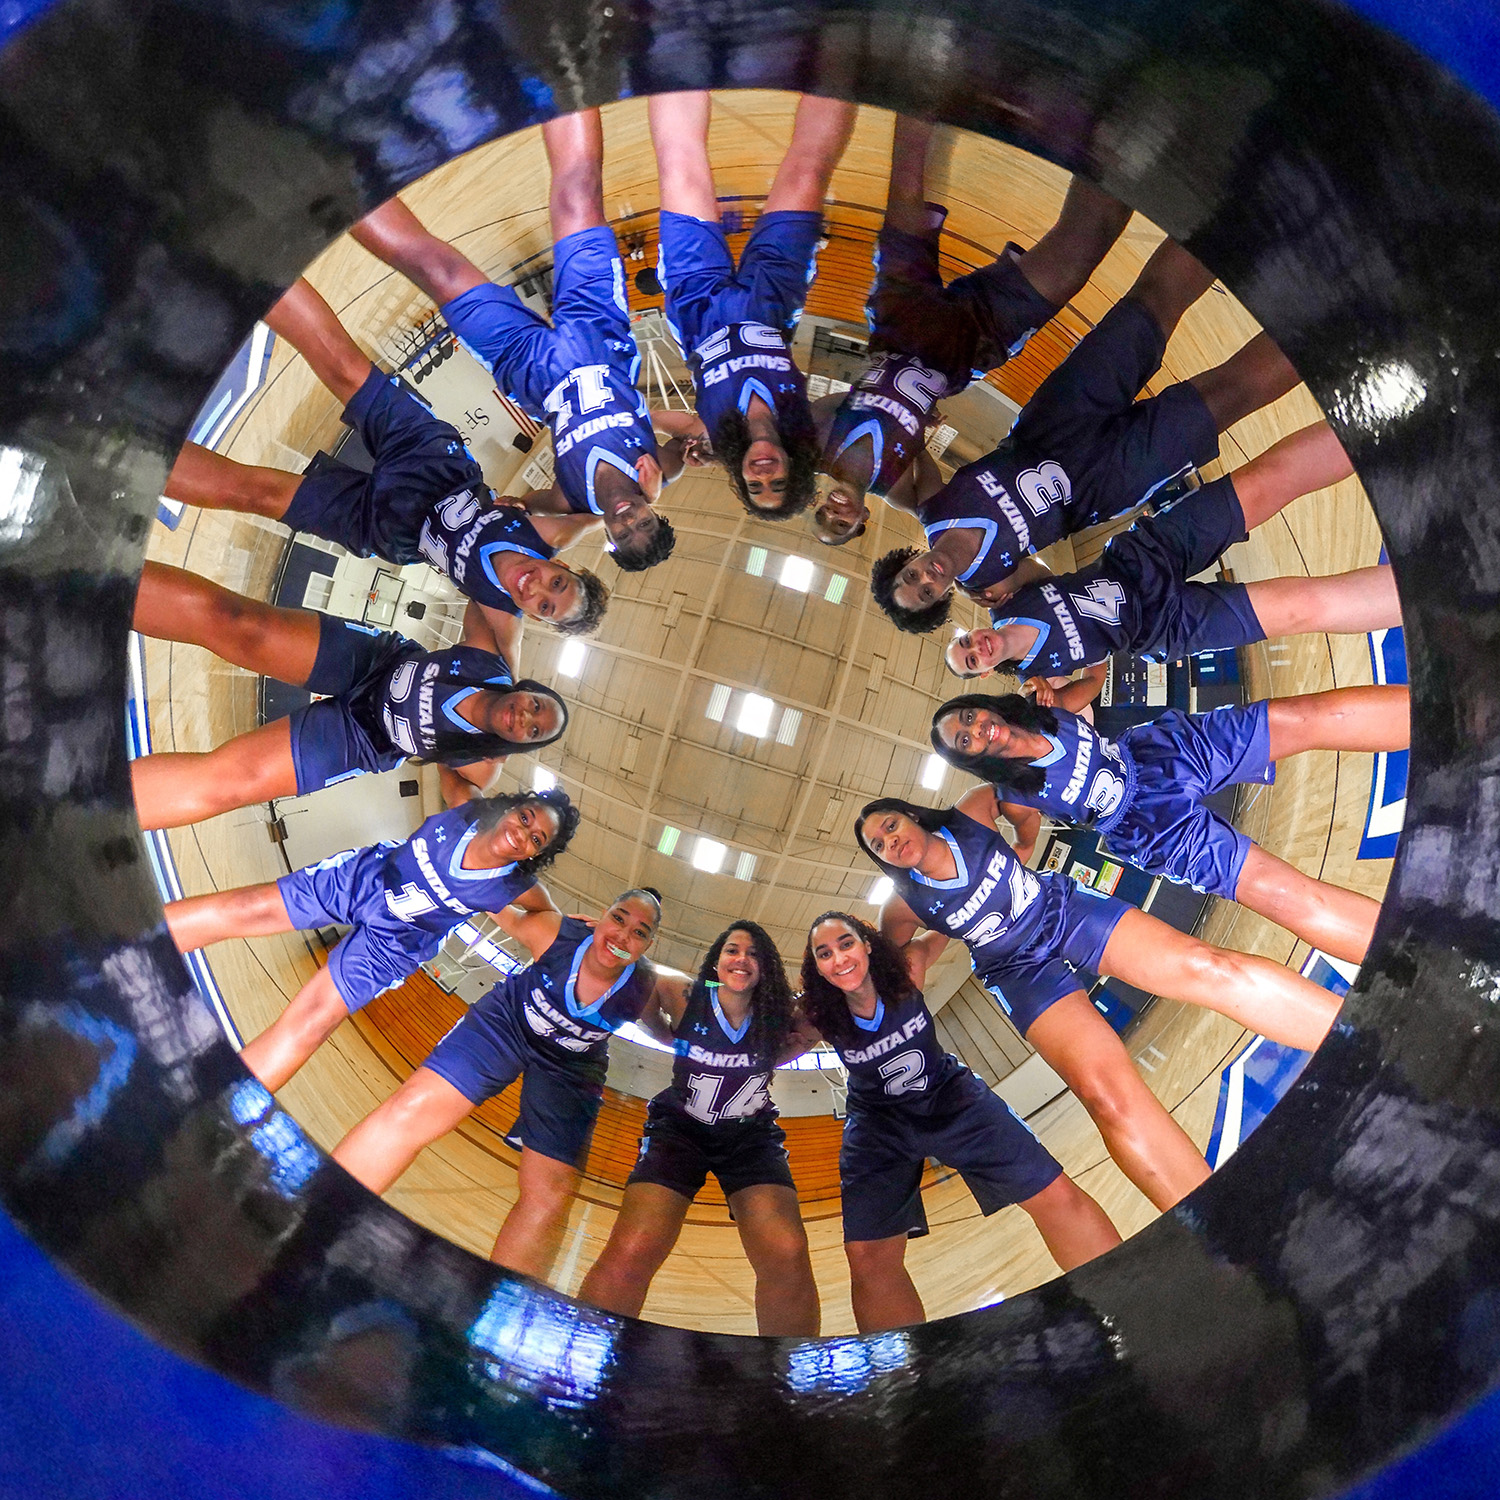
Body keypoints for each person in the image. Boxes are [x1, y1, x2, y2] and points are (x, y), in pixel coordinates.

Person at [856, 787, 1342, 1209]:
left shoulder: (974, 808)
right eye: (878, 845)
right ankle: (1211, 1217)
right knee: (1106, 1097)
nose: (890, 842)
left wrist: (1025, 844)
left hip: (1062, 909)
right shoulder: (898, 907)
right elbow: (913, 954)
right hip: (1014, 970)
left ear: (914, 815)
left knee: (1207, 966)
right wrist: (923, 949)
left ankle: (1352, 1036)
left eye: (891, 825)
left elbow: (1025, 818)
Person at [163, 277, 608, 668]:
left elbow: (505, 682)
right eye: (557, 582)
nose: (537, 589)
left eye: (546, 607)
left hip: (390, 531)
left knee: (258, 494)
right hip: (436, 467)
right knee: (343, 364)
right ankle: (259, 267)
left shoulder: (501, 618)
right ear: (562, 565)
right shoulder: (551, 535)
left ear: (534, 618)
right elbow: (612, 505)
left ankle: (136, 456)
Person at [871, 235, 1308, 620]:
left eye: (912, 574)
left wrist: (915, 414)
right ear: (941, 598)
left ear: (908, 559)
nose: (928, 575)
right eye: (926, 592)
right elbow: (1046, 577)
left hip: (1055, 421)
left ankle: (1232, 213)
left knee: (1148, 305)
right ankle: (1324, 320)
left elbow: (905, 445)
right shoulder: (987, 580)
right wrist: (1010, 593)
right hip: (1106, 481)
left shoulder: (929, 506)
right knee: (1226, 396)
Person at [351, 109, 676, 572]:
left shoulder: (576, 503)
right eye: (645, 524)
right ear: (654, 511)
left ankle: (340, 178)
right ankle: (563, 67)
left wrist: (520, 505)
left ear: (611, 538)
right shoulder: (657, 469)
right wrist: (669, 467)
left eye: (624, 535)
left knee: (436, 272)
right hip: (598, 338)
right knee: (578, 197)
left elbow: (538, 501)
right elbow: (696, 439)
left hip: (529, 371)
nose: (629, 522)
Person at [814, 116, 1131, 545]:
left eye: (823, 516)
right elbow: (938, 512)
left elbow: (822, 403)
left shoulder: (816, 446)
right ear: (861, 520)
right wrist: (917, 427)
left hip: (900, 324)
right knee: (1083, 247)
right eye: (842, 525)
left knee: (907, 177)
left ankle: (927, 62)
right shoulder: (894, 489)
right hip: (969, 346)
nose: (836, 512)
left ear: (816, 503)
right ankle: (1126, 134)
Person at [931, 683, 1410, 965]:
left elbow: (1094, 671)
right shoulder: (1010, 793)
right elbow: (1022, 841)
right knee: (1280, 893)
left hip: (1158, 752)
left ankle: (1446, 710)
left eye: (968, 717)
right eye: (964, 740)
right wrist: (1012, 856)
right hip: (1145, 827)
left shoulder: (1045, 705)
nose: (976, 730)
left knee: (1302, 717)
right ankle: (1413, 953)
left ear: (982, 704)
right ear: (970, 759)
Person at [799, 912, 1121, 1329]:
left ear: (867, 944)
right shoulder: (816, 1014)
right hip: (879, 1124)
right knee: (867, 1254)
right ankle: (906, 1378)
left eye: (845, 943)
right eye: (824, 953)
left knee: (1053, 1194)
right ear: (816, 967)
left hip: (950, 1097)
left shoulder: (908, 968)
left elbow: (946, 927)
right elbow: (767, 1049)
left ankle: (1123, 1298)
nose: (838, 958)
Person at [333, 886, 663, 1281]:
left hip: (572, 1064)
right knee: (413, 1107)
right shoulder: (556, 932)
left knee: (551, 1195)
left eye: (640, 932)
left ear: (649, 945)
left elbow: (689, 1016)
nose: (624, 935)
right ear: (602, 915)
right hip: (508, 1021)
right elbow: (497, 903)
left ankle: (499, 1309)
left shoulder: (650, 985)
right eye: (620, 918)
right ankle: (321, 1215)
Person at [164, 789, 578, 1092]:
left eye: (537, 839)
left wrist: (530, 917)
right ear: (512, 808)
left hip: (395, 945)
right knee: (248, 907)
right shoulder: (467, 802)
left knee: (313, 1020)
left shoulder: (514, 886)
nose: (524, 833)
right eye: (526, 818)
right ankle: (137, 943)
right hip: (366, 878)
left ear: (533, 855)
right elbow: (456, 753)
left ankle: (221, 1105)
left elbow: (547, 918)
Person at [130, 562, 568, 829]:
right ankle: (109, 588)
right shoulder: (492, 659)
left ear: (521, 744)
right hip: (376, 661)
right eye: (537, 706)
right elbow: (491, 589)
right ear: (528, 689)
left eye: (533, 731)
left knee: (233, 785)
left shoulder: (481, 762)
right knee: (241, 625)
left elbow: (460, 801)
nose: (524, 718)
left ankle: (93, 806)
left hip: (363, 740)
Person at [932, 424, 1401, 672]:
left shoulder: (1005, 606)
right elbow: (1092, 680)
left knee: (1265, 481)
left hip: (1140, 558)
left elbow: (1032, 570)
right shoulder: (1044, 676)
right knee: (1304, 606)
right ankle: (1427, 591)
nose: (978, 648)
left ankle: (1380, 425)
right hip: (1165, 628)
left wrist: (1004, 576)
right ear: (986, 672)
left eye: (967, 643)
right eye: (973, 660)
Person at [578, 921, 819, 1335]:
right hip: (680, 1128)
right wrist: (661, 1031)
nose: (741, 959)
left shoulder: (781, 1012)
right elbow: (642, 974)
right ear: (716, 959)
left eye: (754, 954)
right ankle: (583, 1352)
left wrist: (783, 1053)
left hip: (750, 1136)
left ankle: (784, 1378)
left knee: (787, 1252)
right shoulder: (685, 993)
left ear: (769, 968)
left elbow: (815, 1025)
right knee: (635, 1246)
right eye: (732, 950)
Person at [647, 90, 855, 520]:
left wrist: (635, 418)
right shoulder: (805, 426)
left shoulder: (721, 440)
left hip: (697, 308)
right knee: (808, 173)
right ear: (795, 471)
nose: (763, 474)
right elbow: (845, 403)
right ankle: (841, 59)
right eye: (777, 483)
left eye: (754, 486)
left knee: (680, 170)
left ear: (740, 478)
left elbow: (670, 423)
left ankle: (677, 49)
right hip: (772, 302)